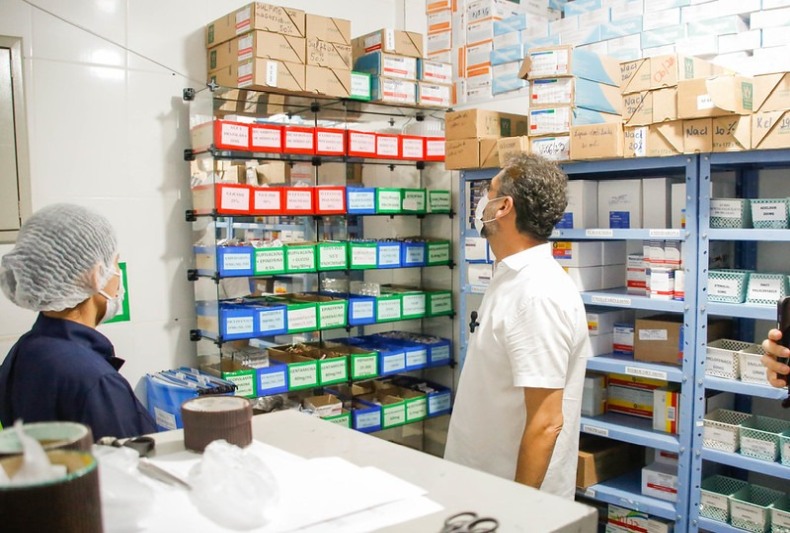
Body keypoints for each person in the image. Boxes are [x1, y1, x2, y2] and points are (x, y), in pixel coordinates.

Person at [444, 154, 591, 499]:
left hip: (508, 498)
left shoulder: (538, 294)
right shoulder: (512, 276)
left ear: (503, 207)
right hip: (480, 486)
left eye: (489, 193)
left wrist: (520, 508)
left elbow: (546, 423)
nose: (481, 203)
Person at [0, 203, 156, 439]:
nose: (118, 274)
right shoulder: (96, 381)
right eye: (115, 263)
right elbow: (129, 458)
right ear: (94, 276)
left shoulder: (23, 350)